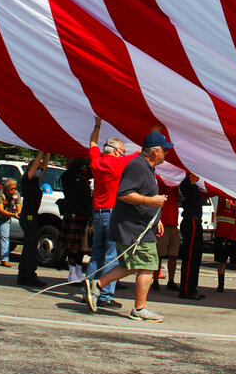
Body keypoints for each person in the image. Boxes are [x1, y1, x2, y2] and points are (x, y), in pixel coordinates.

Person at [84, 131, 172, 321]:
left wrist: (157, 218)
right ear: (155, 152)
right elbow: (124, 194)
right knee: (148, 265)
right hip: (133, 227)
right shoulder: (138, 166)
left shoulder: (145, 167)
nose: (167, 153)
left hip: (133, 224)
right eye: (165, 150)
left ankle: (97, 286)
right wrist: (152, 202)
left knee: (129, 264)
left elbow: (145, 197)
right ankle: (139, 309)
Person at [85, 118, 140, 308]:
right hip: (112, 214)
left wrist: (97, 125)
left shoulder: (96, 161)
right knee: (111, 255)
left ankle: (88, 289)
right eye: (123, 151)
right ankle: (104, 296)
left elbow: (92, 143)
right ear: (116, 151)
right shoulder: (117, 164)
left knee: (96, 254)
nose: (124, 154)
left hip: (97, 214)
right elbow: (142, 153)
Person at [56, 158, 92, 287]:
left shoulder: (80, 175)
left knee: (81, 245)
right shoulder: (69, 175)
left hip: (82, 213)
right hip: (73, 212)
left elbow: (92, 172)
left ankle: (78, 271)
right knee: (73, 247)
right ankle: (72, 273)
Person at [17, 151, 49, 287]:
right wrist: (41, 151)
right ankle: (30, 275)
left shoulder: (35, 180)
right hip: (28, 217)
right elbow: (37, 163)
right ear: (31, 168)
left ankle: (22, 276)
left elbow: (44, 166)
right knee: (30, 248)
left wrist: (48, 152)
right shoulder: (27, 179)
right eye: (37, 168)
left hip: (32, 216)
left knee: (28, 248)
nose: (39, 169)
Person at [178, 172, 206, 300]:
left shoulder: (194, 186)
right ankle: (186, 290)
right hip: (191, 221)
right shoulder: (186, 183)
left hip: (196, 222)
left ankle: (192, 287)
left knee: (195, 257)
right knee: (190, 258)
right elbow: (194, 174)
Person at [152, 178, 180, 292]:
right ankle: (155, 280)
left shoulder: (176, 186)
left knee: (173, 255)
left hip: (174, 224)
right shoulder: (161, 182)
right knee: (159, 254)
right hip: (162, 224)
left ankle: (171, 281)